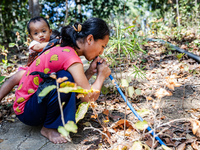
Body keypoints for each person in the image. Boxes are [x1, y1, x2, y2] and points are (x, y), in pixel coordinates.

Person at [13, 17, 111, 144]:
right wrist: (101, 76)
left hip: (30, 106)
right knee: (66, 78)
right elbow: (88, 98)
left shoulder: (66, 49)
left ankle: (53, 120)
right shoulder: (71, 58)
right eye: (102, 46)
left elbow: (79, 88)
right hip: (27, 111)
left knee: (66, 77)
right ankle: (48, 127)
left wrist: (90, 72)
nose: (102, 51)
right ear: (90, 39)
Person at [0, 16, 52, 102]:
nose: (41, 35)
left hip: (44, 71)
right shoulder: (34, 43)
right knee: (13, 79)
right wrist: (54, 42)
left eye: (43, 31)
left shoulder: (53, 42)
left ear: (50, 32)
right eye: (36, 33)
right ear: (30, 37)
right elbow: (38, 47)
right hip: (30, 70)